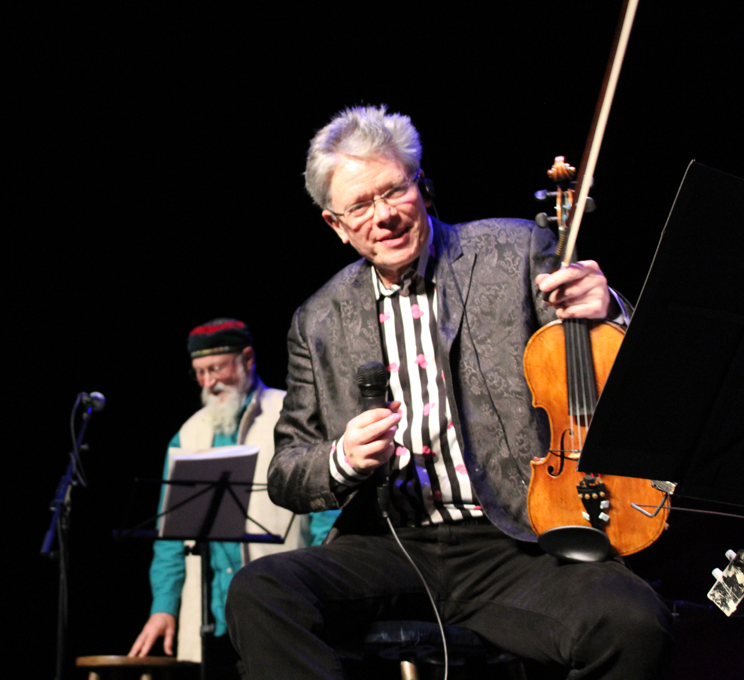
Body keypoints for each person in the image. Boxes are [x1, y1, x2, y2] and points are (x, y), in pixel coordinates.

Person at [225, 106, 674, 679]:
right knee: (260, 592)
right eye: (360, 206)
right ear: (335, 225)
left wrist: (608, 310)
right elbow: (288, 470)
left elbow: (614, 370)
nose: (383, 216)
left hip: (514, 542)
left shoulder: (515, 252)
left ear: (422, 187)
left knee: (632, 622)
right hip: (392, 546)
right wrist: (342, 458)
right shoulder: (317, 319)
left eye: (394, 191)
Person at [128, 318, 339, 675]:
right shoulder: (187, 435)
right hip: (209, 617)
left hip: (280, 605)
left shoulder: (291, 415)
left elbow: (325, 512)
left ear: (247, 359)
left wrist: (319, 583)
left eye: (216, 369)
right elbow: (171, 540)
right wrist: (163, 608)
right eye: (199, 372)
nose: (208, 382)